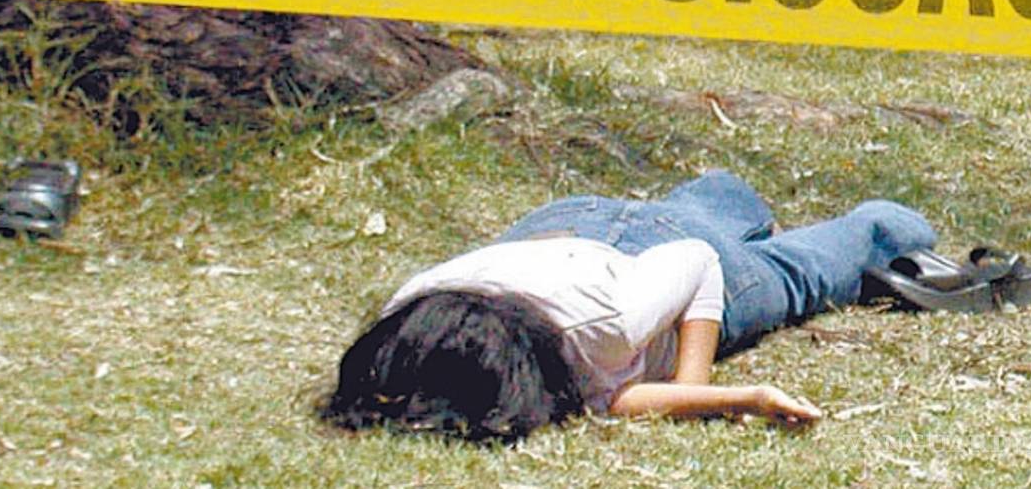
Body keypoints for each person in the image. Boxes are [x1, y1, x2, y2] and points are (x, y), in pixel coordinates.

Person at [322, 169, 937, 442]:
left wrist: (691, 387)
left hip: (672, 256)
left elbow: (697, 262)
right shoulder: (412, 309)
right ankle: (725, 192)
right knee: (702, 206)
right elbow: (611, 397)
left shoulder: (606, 328)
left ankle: (884, 222)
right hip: (568, 220)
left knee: (799, 273)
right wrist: (744, 399)